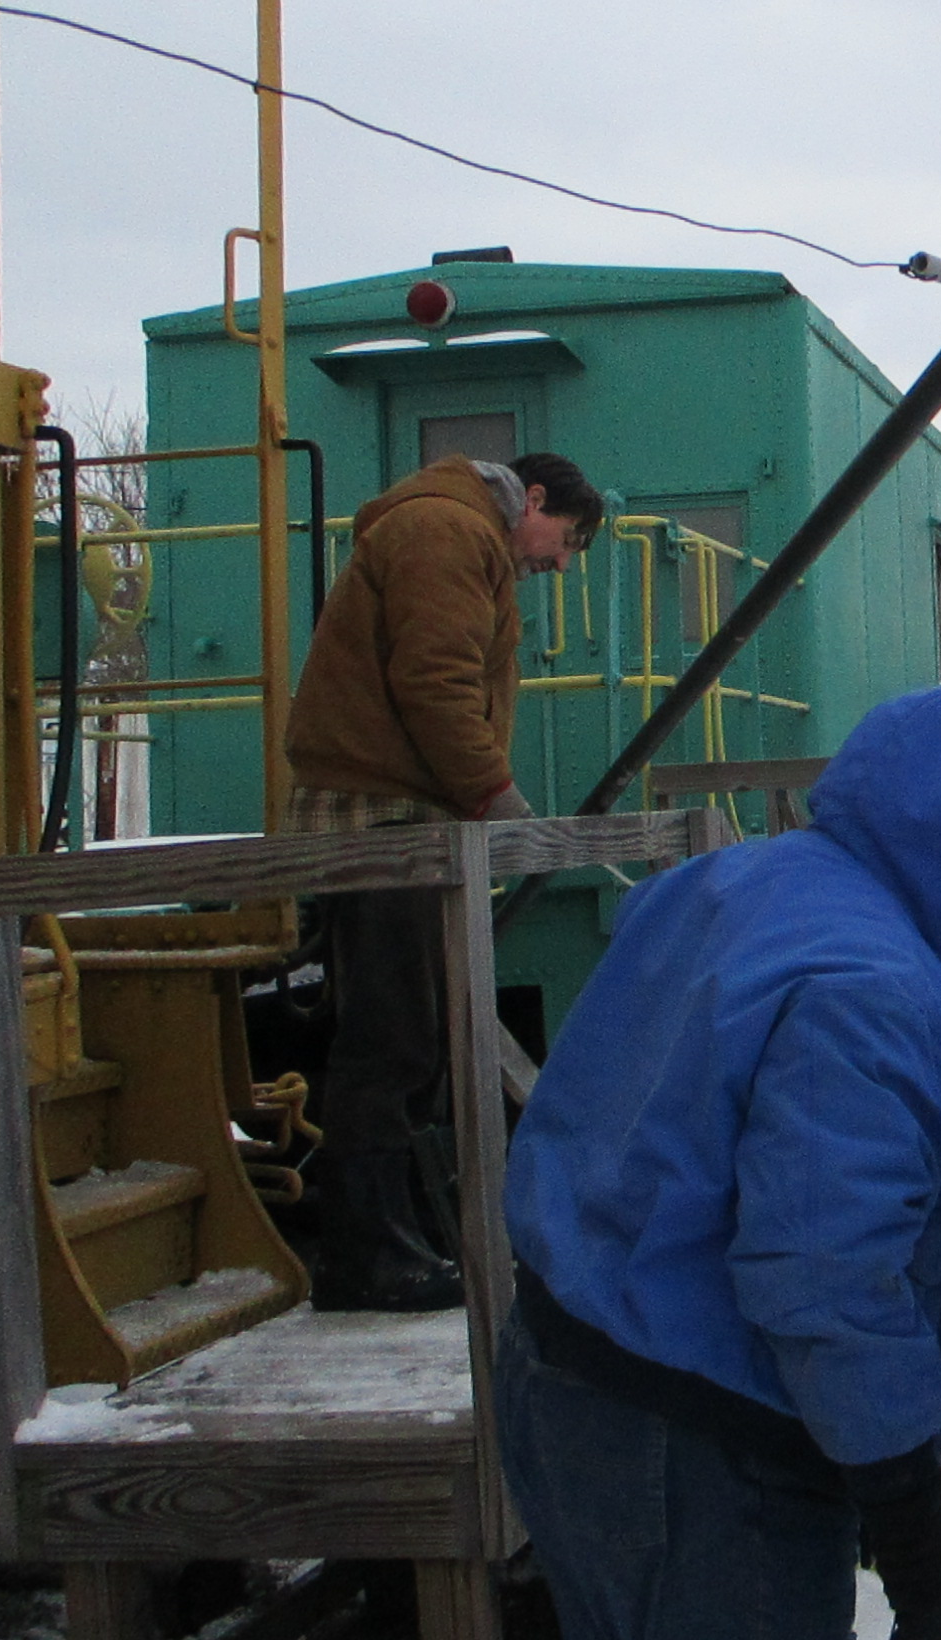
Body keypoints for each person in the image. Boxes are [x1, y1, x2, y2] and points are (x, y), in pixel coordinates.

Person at [498, 686, 941, 1640]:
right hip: (706, 1449)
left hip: (560, 1369)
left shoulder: (726, 882)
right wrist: (903, 1500)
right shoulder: (879, 993)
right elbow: (824, 1273)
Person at [285, 450, 603, 1311]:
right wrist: (496, 796)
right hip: (383, 818)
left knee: (409, 1031)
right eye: (565, 539)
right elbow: (433, 679)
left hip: (402, 813)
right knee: (394, 1034)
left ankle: (389, 1237)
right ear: (530, 499)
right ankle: (364, 1257)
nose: (559, 562)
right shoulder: (450, 531)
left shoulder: (450, 530)